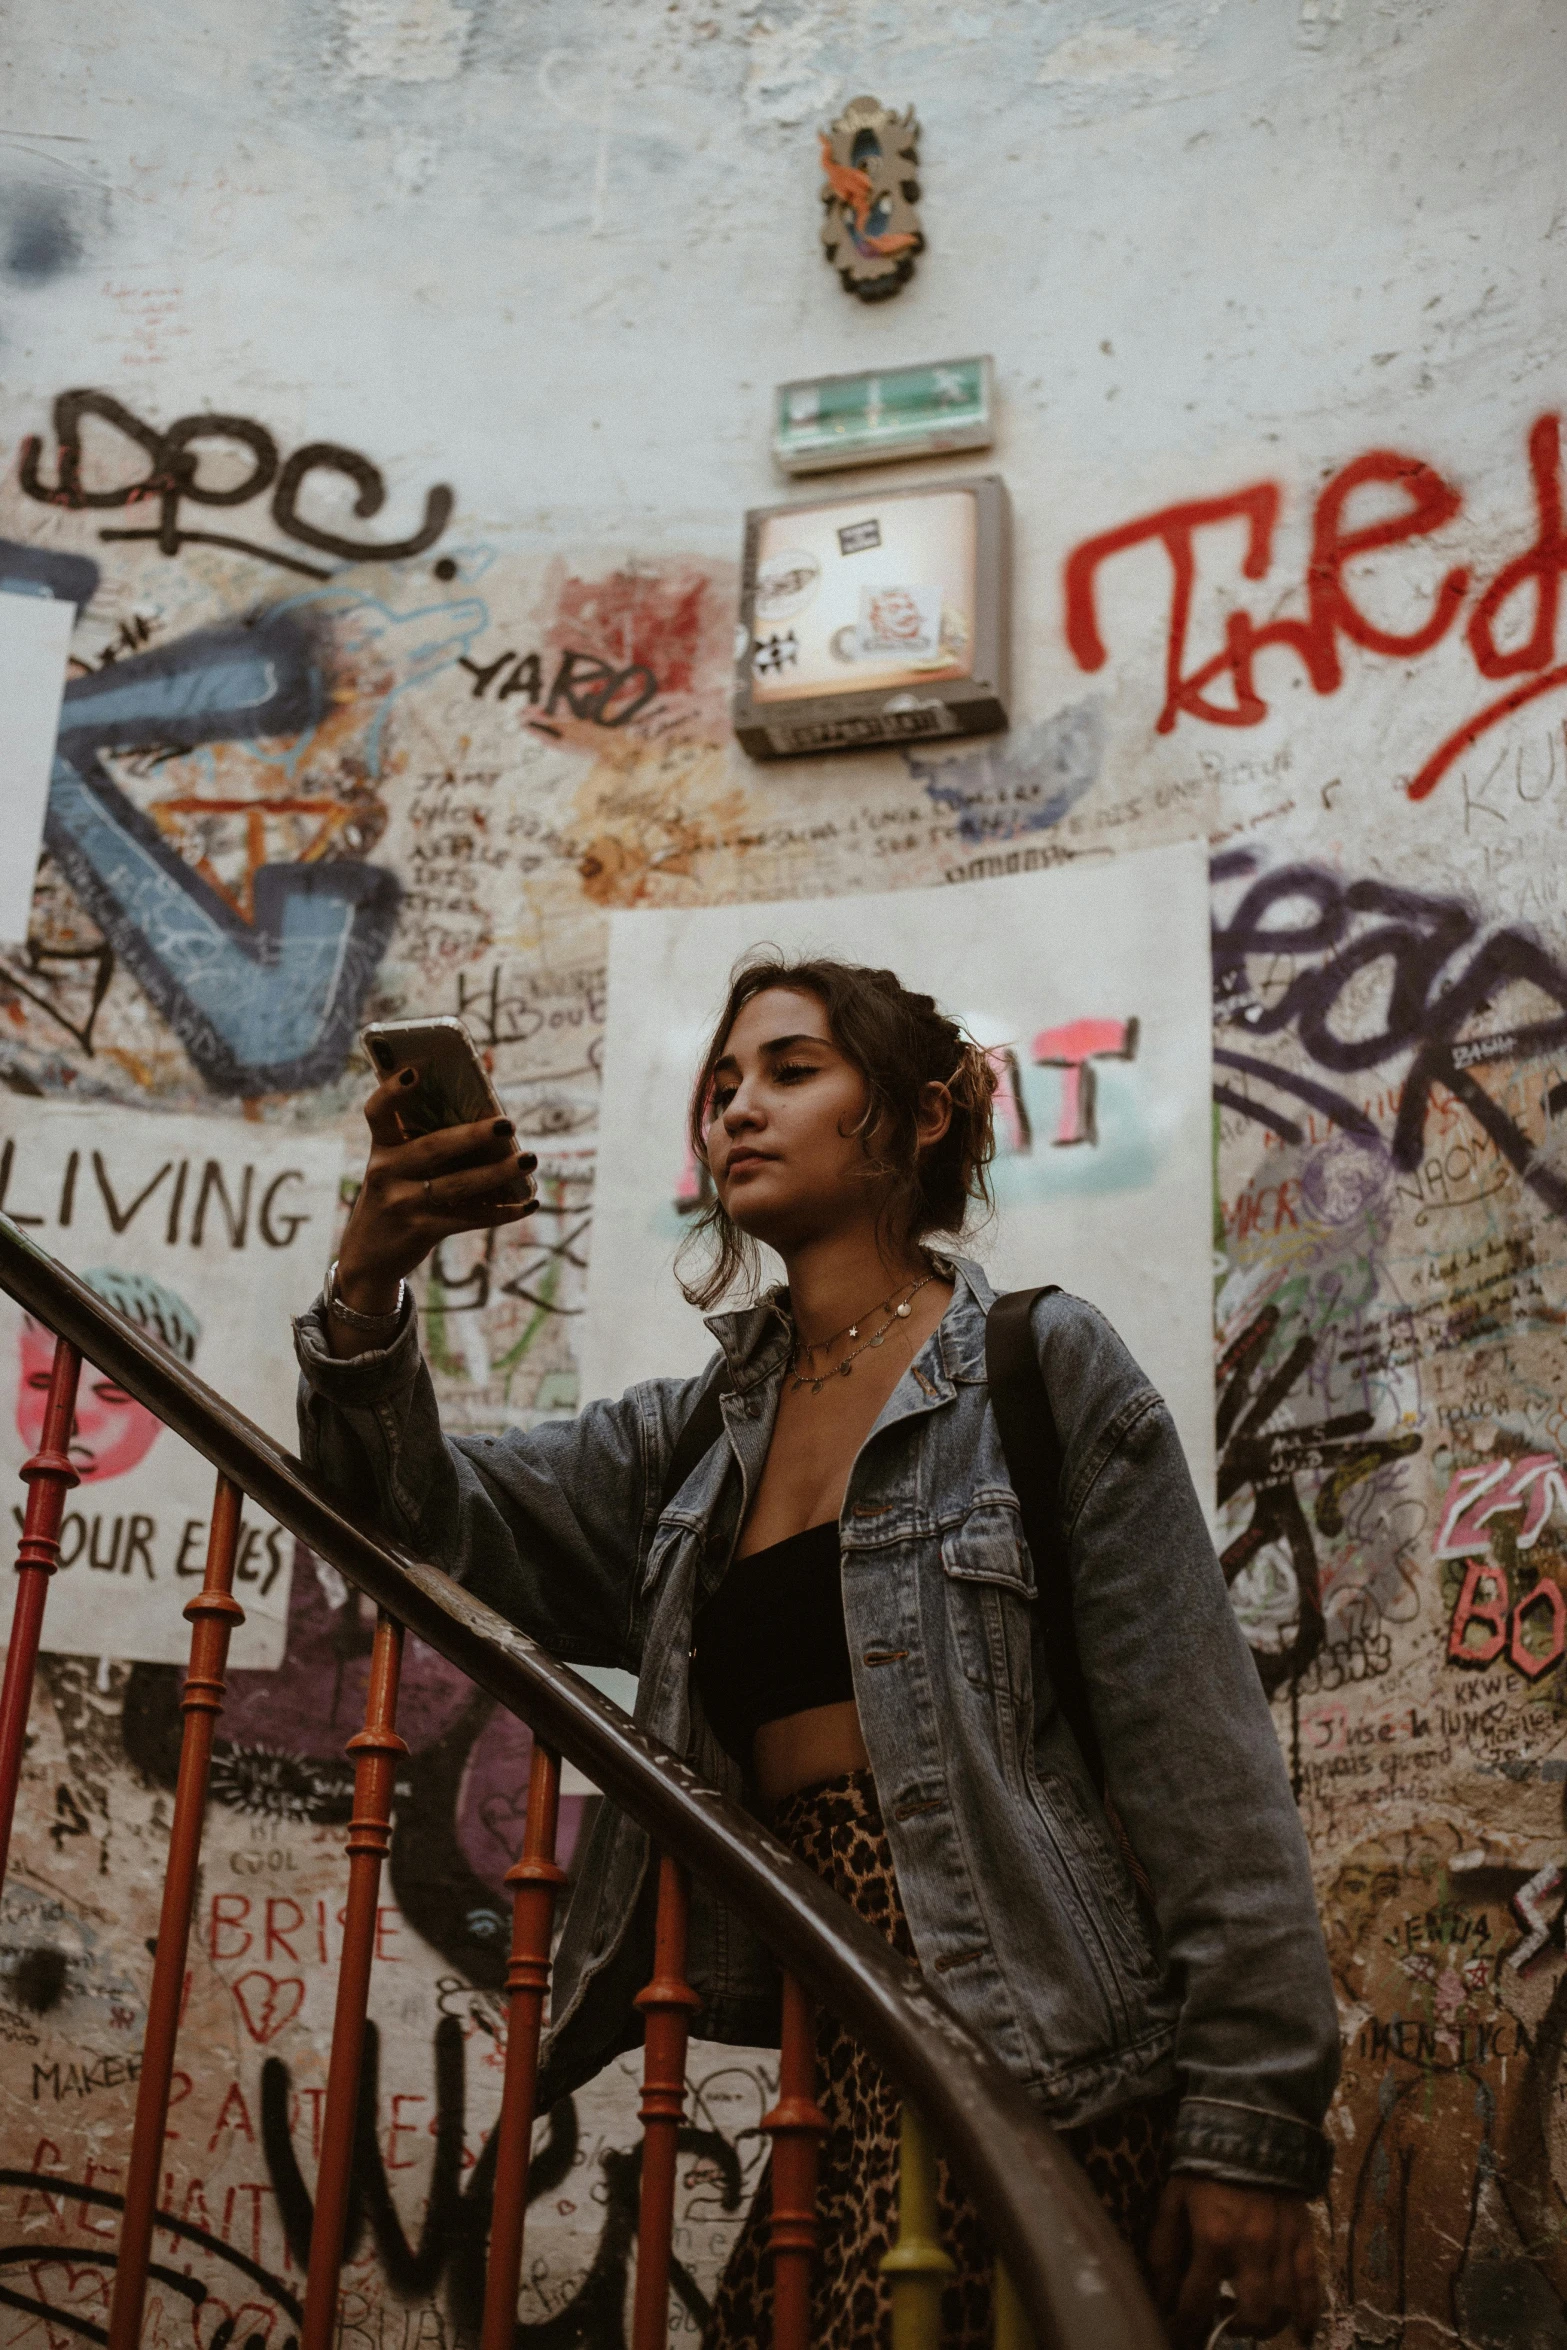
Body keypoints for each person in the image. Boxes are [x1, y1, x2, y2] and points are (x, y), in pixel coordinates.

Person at [295, 957, 1338, 2349]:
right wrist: (370, 1275)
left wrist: (1248, 2126)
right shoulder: (689, 1442)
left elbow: (1203, 1773)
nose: (736, 1108)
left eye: (790, 1070)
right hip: (833, 2064)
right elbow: (417, 1530)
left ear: (913, 1115)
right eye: (720, 1084)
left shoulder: (1040, 1369)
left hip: (1046, 2064)